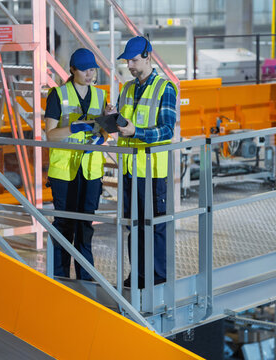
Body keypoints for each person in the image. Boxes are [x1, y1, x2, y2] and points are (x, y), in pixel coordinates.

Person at [107, 36, 178, 288]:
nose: (130, 65)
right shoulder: (126, 89)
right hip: (129, 169)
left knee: (154, 226)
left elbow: (167, 131)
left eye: (134, 60)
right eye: (127, 61)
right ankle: (137, 275)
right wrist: (111, 117)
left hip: (152, 172)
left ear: (148, 56)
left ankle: (157, 279)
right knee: (133, 226)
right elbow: (122, 122)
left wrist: (136, 132)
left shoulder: (164, 88)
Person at [44, 48, 109, 280]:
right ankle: (59, 277)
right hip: (64, 172)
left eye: (92, 69)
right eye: (84, 70)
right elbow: (50, 135)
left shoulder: (100, 96)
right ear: (72, 69)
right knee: (65, 224)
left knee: (85, 226)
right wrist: (73, 127)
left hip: (90, 171)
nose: (90, 74)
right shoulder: (58, 95)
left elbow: (104, 130)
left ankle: (86, 278)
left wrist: (102, 136)